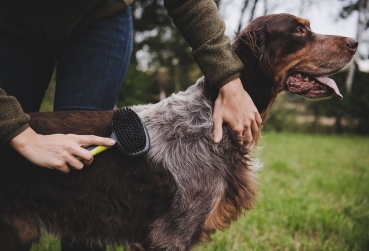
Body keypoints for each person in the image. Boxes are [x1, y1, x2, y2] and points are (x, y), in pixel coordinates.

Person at [0, 0, 261, 250]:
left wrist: (228, 78)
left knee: (91, 176)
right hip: (10, 20)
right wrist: (22, 135)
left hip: (99, 14)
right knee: (7, 160)